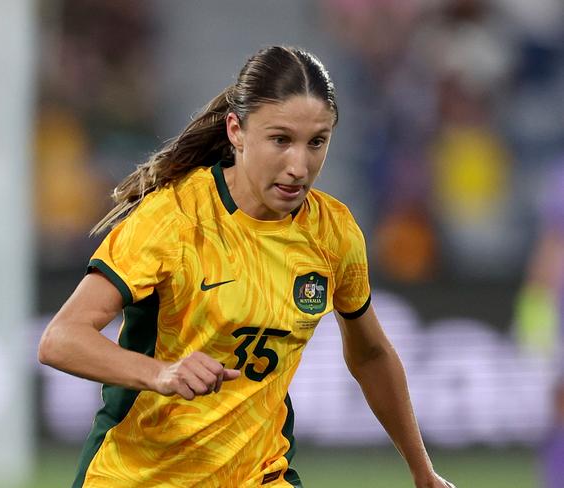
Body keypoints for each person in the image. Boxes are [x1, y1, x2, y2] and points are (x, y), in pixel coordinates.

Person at [38, 45, 455, 488]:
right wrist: (162, 373)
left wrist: (422, 471)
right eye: (280, 140)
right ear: (236, 130)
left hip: (258, 475)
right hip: (139, 476)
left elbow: (371, 354)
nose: (299, 166)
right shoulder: (175, 218)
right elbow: (61, 339)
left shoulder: (333, 232)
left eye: (317, 142)